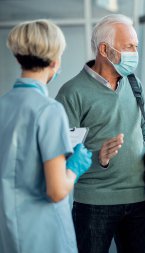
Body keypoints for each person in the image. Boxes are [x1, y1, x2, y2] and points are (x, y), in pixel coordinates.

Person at [56, 14, 145, 253]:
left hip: (140, 199)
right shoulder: (71, 93)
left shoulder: (135, 83)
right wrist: (100, 157)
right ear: (105, 49)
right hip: (94, 203)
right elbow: (64, 156)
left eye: (136, 47)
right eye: (129, 47)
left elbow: (143, 128)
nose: (135, 53)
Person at [0, 20, 92, 253]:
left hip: (8, 232)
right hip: (44, 235)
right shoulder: (49, 110)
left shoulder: (3, 105)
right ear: (55, 61)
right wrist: (75, 167)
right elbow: (56, 190)